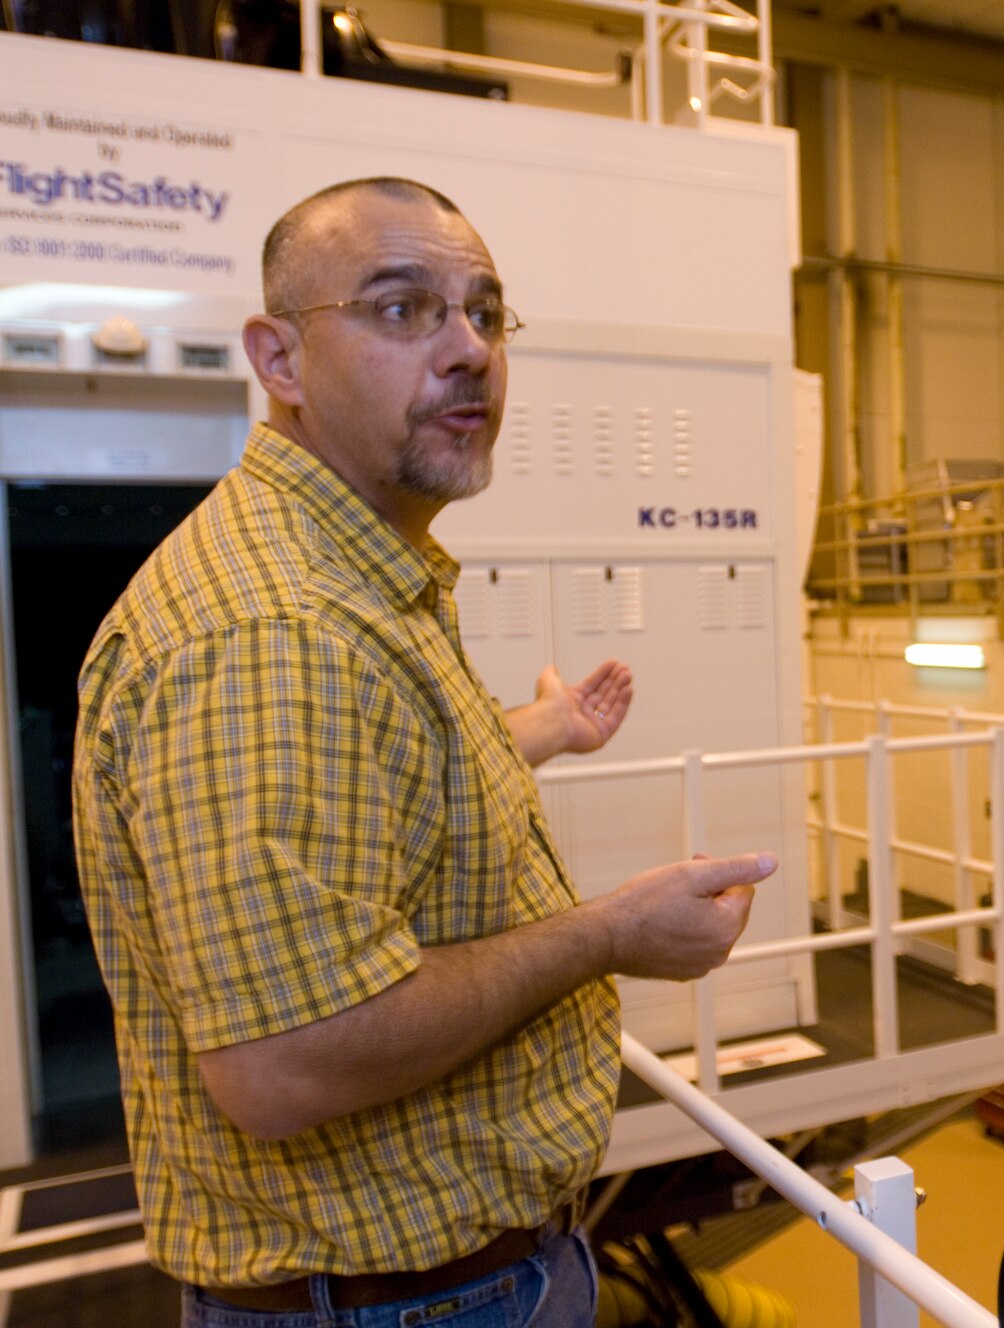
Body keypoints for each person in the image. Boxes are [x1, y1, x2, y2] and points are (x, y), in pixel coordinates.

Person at [71, 176, 776, 1327]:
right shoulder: (277, 628)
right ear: (281, 359)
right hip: (395, 1305)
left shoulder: (352, 580)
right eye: (403, 310)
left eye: (486, 314)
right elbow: (285, 1061)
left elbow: (366, 789)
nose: (469, 353)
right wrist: (609, 930)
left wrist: (540, 730)